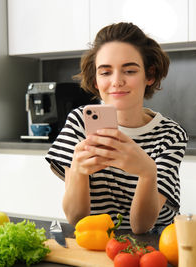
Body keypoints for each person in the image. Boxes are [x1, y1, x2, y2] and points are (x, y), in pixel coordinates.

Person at [45, 22, 188, 234]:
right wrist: (78, 171)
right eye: (105, 72)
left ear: (149, 76)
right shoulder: (79, 123)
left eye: (129, 70)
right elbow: (77, 220)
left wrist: (147, 172)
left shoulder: (170, 135)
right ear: (95, 80)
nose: (116, 81)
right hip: (96, 242)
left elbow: (142, 227)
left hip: (154, 245)